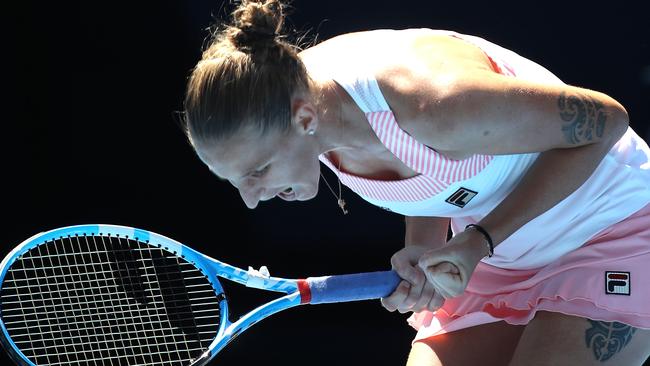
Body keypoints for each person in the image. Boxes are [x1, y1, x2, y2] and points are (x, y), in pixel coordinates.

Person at [181, 1, 650, 365]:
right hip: (502, 255)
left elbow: (607, 123)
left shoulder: (439, 104)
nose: (250, 199)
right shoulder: (294, 97)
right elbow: (429, 173)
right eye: (234, 180)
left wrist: (480, 240)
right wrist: (425, 250)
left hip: (616, 230)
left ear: (304, 119)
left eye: (257, 171)